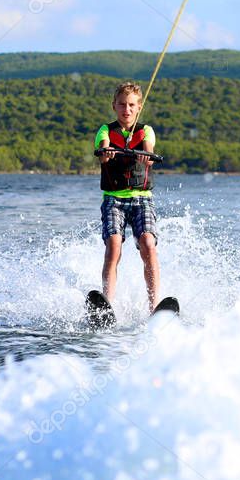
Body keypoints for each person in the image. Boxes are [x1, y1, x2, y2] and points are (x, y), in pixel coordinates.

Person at [95, 81, 159, 312]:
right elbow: (102, 151)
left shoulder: (146, 130)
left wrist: (147, 156)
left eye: (132, 105)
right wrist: (106, 151)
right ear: (114, 106)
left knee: (148, 244)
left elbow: (149, 151)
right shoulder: (105, 130)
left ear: (139, 107)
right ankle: (106, 304)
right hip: (114, 199)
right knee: (113, 245)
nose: (127, 110)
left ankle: (154, 307)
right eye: (122, 105)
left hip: (142, 198)